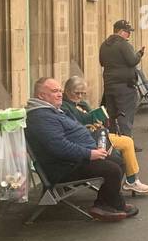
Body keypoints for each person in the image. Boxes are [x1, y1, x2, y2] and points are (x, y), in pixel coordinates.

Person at [25, 76, 138, 222]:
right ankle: (106, 206)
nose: (60, 94)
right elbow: (59, 147)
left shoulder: (51, 111)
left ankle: (110, 204)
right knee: (112, 169)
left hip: (73, 160)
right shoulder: (41, 117)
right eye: (54, 91)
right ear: (41, 95)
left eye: (60, 90)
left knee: (118, 161)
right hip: (63, 168)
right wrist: (89, 153)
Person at [61, 75, 148, 195]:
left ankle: (132, 180)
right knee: (126, 143)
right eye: (77, 93)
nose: (80, 96)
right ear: (67, 91)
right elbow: (78, 123)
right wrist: (91, 120)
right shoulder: (66, 106)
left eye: (83, 94)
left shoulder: (80, 103)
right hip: (89, 138)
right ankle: (131, 181)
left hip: (94, 133)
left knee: (127, 141)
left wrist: (96, 119)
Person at [99, 20, 144, 136]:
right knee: (125, 116)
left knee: (112, 116)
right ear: (120, 31)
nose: (129, 34)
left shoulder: (104, 45)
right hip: (125, 87)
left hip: (109, 86)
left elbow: (102, 62)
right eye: (127, 32)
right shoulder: (124, 44)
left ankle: (114, 144)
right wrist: (139, 54)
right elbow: (132, 61)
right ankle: (126, 144)